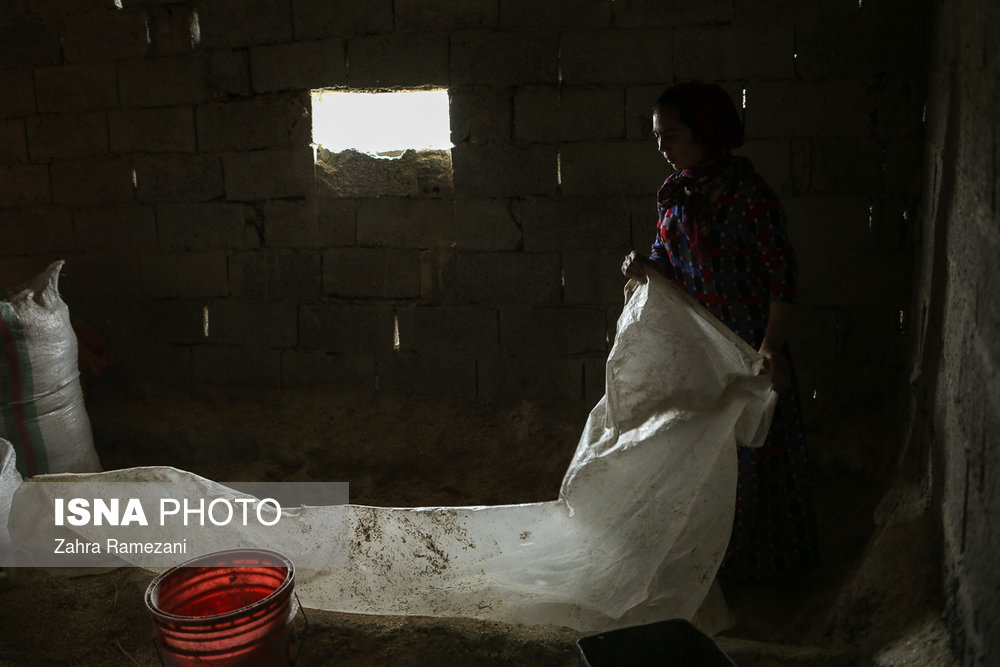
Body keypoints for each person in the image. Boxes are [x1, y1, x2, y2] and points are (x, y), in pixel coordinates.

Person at [622, 82, 820, 582]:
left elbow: (782, 276)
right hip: (700, 349)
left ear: (704, 132)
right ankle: (705, 566)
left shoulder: (748, 197)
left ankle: (757, 575)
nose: (663, 146)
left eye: (671, 134)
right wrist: (646, 266)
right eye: (657, 136)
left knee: (752, 458)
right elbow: (669, 258)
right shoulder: (674, 194)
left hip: (747, 348)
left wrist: (770, 347)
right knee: (702, 458)